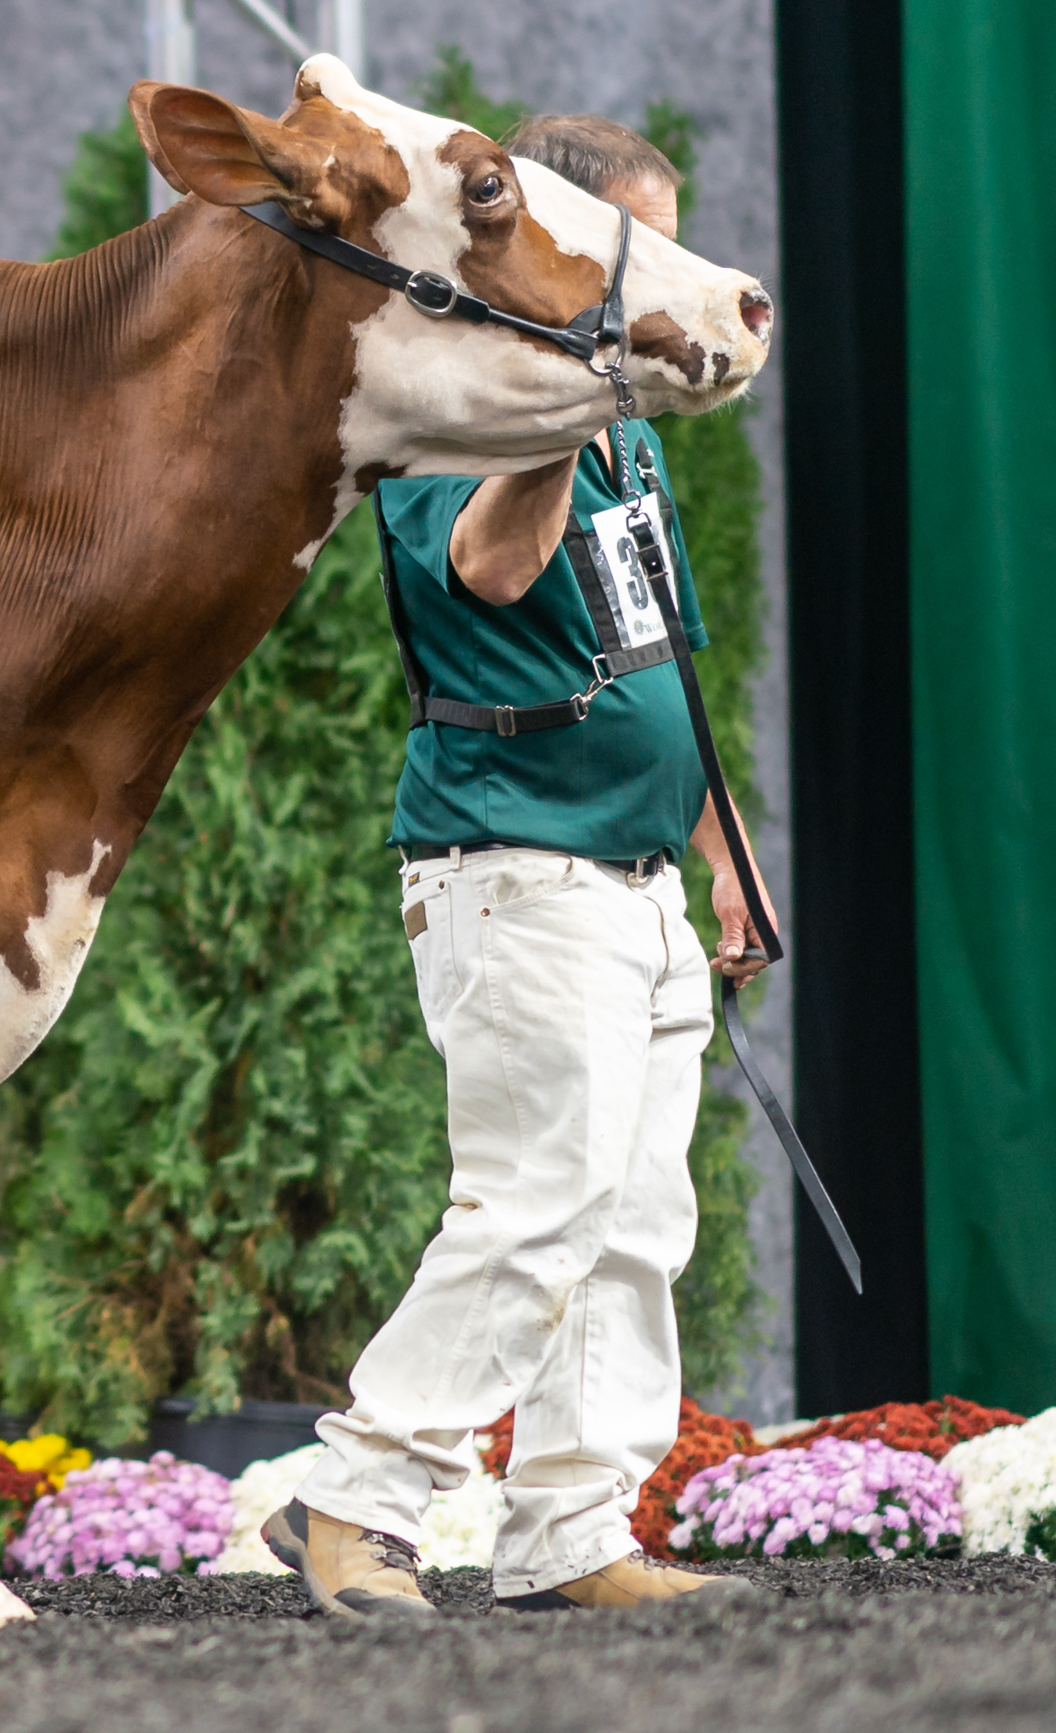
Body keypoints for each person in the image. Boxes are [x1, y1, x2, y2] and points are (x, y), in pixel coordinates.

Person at [265, 114, 771, 1621]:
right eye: (646, 248)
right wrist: (567, 400)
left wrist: (725, 860)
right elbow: (490, 568)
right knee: (538, 1199)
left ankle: (572, 1530)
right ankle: (357, 1501)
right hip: (516, 864)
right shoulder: (454, 419)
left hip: (641, 881)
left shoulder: (629, 440)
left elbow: (659, 657)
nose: (671, 275)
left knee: (634, 1227)